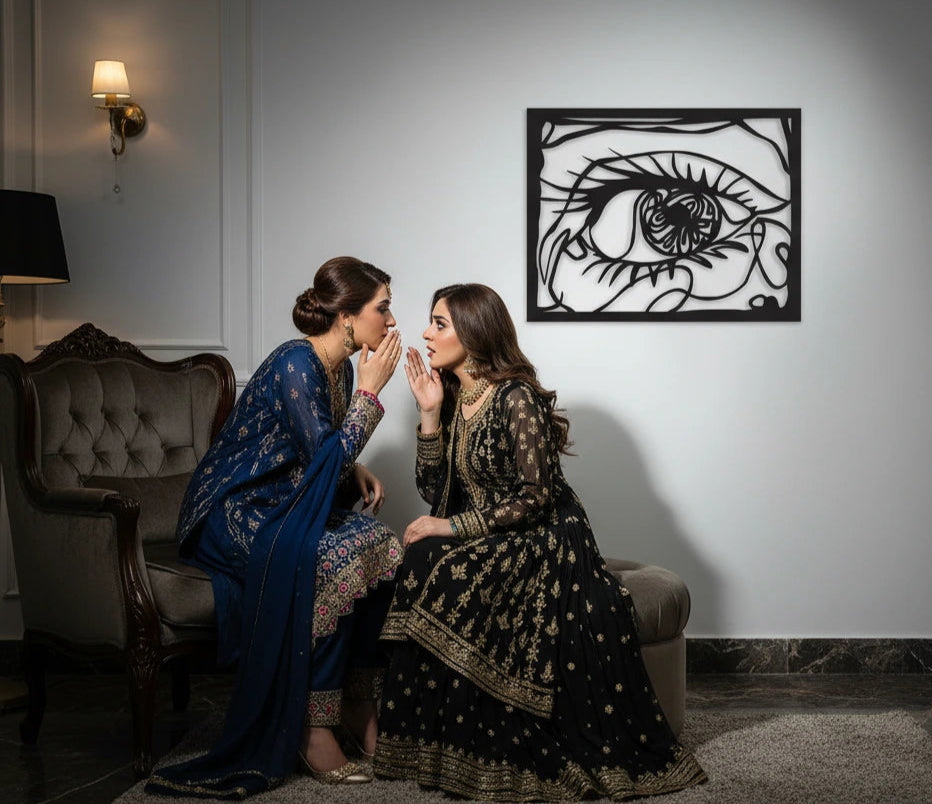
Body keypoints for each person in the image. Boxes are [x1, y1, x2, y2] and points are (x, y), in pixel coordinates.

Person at [373, 283, 707, 800]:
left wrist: (454, 527)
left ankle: (492, 742)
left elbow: (537, 496)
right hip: (495, 529)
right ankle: (435, 741)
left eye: (439, 322)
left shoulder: (515, 396)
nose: (426, 332)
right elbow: (435, 490)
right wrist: (430, 414)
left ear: (475, 329)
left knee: (455, 573)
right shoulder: (459, 396)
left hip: (546, 535)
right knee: (418, 558)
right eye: (431, 321)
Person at [146, 257, 405, 798]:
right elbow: (322, 457)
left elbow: (317, 453)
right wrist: (371, 397)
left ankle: (357, 702)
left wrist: (352, 463)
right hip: (232, 509)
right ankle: (313, 727)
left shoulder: (337, 368)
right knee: (330, 561)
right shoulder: (296, 362)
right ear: (348, 318)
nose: (391, 319)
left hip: (282, 502)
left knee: (380, 544)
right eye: (382, 308)